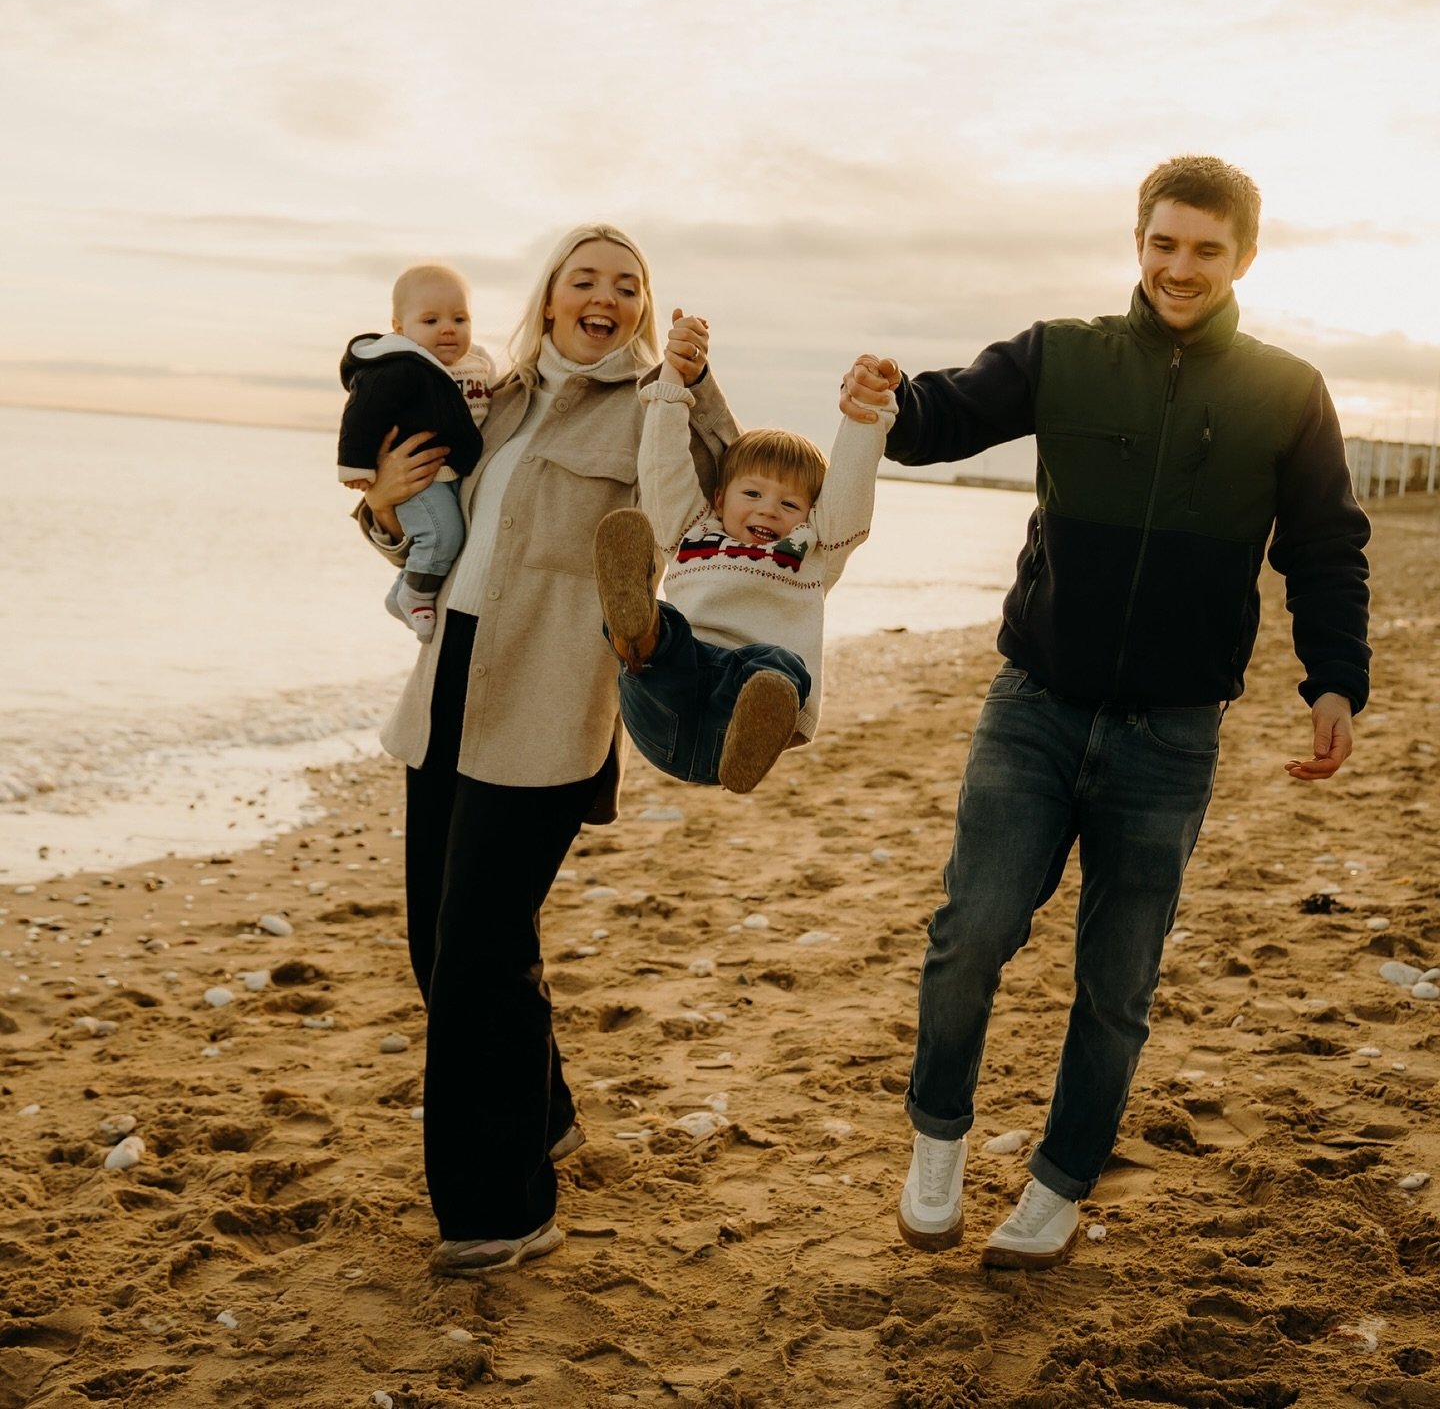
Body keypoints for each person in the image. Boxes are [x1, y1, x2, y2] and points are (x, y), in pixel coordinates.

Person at [840, 155, 1370, 1271]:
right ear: (1138, 243)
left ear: (1245, 259)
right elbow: (936, 421)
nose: (1181, 268)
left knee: (1117, 982)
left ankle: (1059, 1183)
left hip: (1172, 736)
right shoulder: (1062, 354)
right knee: (971, 932)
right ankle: (938, 1142)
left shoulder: (1287, 392)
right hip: (1033, 708)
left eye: (1206, 250)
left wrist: (1335, 679)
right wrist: (885, 395)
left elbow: (1325, 549)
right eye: (1164, 244)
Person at [356, 225, 737, 1275]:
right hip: (449, 689)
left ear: (644, 307)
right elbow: (434, 528)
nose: (602, 296)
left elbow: (713, 519)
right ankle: (548, 1111)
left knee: (478, 954)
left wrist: (695, 391)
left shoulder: (661, 403)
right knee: (441, 944)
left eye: (626, 284)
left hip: (551, 700)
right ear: (553, 296)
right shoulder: (497, 396)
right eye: (583, 280)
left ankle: (503, 1210)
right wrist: (382, 506)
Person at [592, 351, 895, 793]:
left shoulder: (815, 549)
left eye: (789, 504)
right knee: (666, 626)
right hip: (665, 701)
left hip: (736, 725)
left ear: (811, 515)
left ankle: (754, 723)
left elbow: (850, 485)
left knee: (777, 665)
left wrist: (867, 416)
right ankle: (633, 636)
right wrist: (670, 386)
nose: (768, 509)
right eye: (752, 493)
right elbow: (663, 468)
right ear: (718, 500)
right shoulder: (689, 529)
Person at [338, 262, 495, 641]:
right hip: (419, 475)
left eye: (460, 318)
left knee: (440, 535)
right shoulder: (399, 367)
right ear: (399, 327)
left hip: (453, 472)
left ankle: (402, 593)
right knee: (442, 534)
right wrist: (358, 469)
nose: (447, 328)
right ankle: (416, 597)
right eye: (430, 320)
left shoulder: (480, 365)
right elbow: (363, 412)